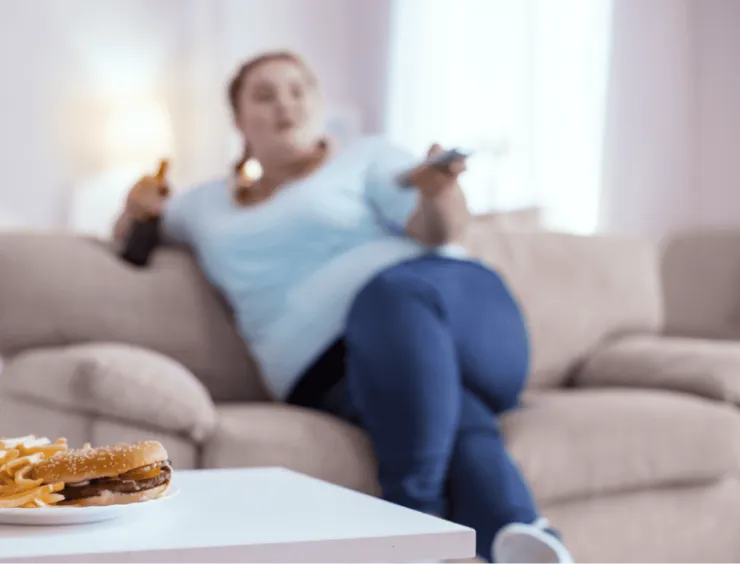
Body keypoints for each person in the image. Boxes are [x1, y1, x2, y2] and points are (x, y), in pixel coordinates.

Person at [114, 51, 574, 564]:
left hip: (462, 317)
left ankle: (410, 523)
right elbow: (135, 233)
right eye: (264, 95)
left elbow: (436, 231)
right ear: (240, 121)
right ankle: (524, 534)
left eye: (298, 90)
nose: (285, 104)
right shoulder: (204, 207)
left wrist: (440, 193)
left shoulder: (367, 158)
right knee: (446, 413)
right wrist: (133, 205)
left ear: (317, 103)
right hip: (342, 375)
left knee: (387, 295)